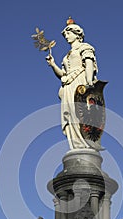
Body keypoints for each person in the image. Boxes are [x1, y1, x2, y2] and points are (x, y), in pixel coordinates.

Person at [46, 19, 99, 150]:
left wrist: (89, 84)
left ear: (77, 34)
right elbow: (63, 74)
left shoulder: (85, 47)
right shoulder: (66, 56)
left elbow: (89, 64)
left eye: (68, 34)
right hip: (68, 85)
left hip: (79, 82)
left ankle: (86, 145)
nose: (66, 37)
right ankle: (75, 146)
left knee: (80, 112)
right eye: (65, 35)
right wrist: (53, 65)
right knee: (69, 116)